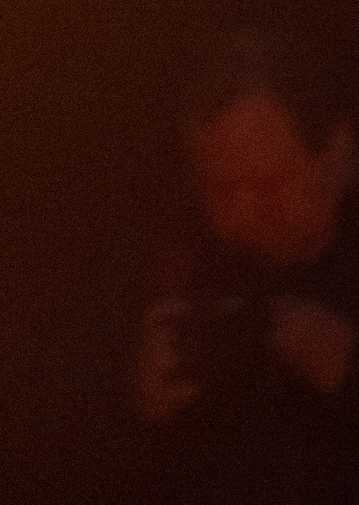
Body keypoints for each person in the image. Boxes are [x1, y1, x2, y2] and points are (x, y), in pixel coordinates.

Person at [133, 27, 359, 502]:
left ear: (341, 154)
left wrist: (348, 373)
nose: (241, 217)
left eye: (269, 185)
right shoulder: (188, 272)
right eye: (220, 193)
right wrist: (139, 410)